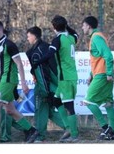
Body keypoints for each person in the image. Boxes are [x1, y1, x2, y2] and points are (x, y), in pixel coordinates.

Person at [0, 20, 39, 144]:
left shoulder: (9, 45)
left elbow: (19, 64)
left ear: (0, 30)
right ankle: (31, 131)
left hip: (8, 80)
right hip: (0, 81)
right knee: (10, 110)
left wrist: (24, 83)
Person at [31, 15, 81, 143]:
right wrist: (65, 25)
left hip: (65, 78)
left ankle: (74, 135)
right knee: (56, 101)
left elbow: (49, 54)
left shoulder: (57, 40)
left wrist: (37, 63)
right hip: (69, 76)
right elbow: (75, 34)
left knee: (69, 106)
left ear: (54, 27)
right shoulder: (71, 38)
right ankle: (69, 128)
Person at [25, 26, 67, 143]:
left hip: (44, 85)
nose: (27, 38)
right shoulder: (47, 47)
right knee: (49, 111)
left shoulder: (36, 52)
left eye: (28, 36)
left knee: (40, 109)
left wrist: (46, 90)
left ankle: (39, 135)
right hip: (53, 83)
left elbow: (42, 72)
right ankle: (71, 128)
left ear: (34, 36)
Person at [81, 16, 114, 140]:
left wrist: (108, 73)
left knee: (88, 101)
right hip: (102, 73)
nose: (82, 28)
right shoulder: (98, 36)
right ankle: (113, 132)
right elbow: (98, 58)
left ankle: (105, 127)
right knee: (108, 103)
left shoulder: (96, 37)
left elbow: (108, 55)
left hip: (103, 75)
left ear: (88, 26)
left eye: (83, 25)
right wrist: (91, 75)